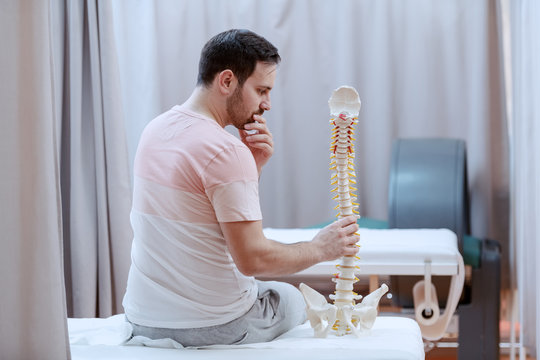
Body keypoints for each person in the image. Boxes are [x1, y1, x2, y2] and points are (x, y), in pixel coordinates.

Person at [122, 29, 360, 346]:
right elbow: (252, 260)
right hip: (211, 326)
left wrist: (254, 165)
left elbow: (204, 214)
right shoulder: (226, 151)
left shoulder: (155, 129)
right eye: (261, 90)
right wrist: (321, 248)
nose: (267, 104)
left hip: (142, 320)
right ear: (227, 81)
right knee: (293, 297)